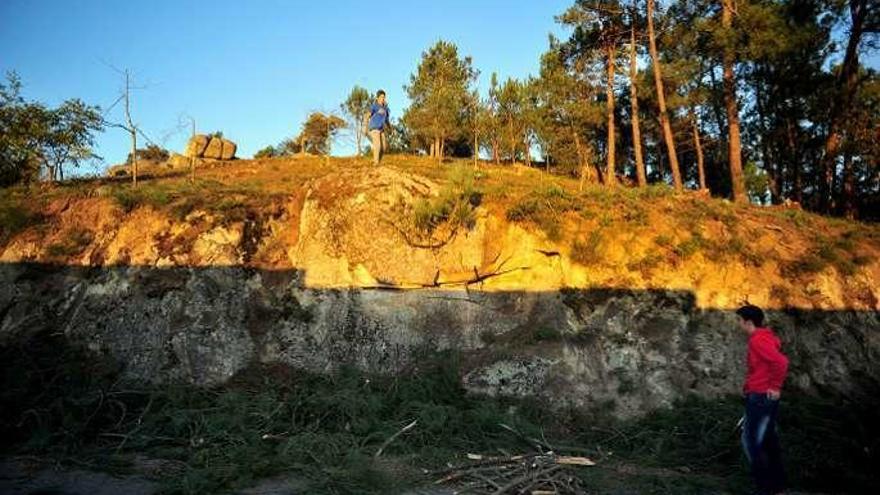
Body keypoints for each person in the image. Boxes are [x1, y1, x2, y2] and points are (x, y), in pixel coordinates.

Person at [736, 304, 789, 495]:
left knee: (750, 441)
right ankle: (778, 487)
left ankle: (766, 488)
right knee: (768, 441)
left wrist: (775, 386)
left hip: (760, 396)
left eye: (739, 321)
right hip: (763, 395)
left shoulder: (757, 340)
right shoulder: (767, 337)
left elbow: (781, 362)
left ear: (748, 322)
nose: (738, 324)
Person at [366, 90, 390, 166]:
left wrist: (390, 128)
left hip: (381, 129)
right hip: (374, 128)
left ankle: (378, 161)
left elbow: (387, 120)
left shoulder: (386, 109)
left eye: (384, 97)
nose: (383, 99)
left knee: (384, 147)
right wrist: (365, 126)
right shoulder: (374, 106)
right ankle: (376, 162)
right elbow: (367, 115)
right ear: (377, 98)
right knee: (378, 145)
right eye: (381, 97)